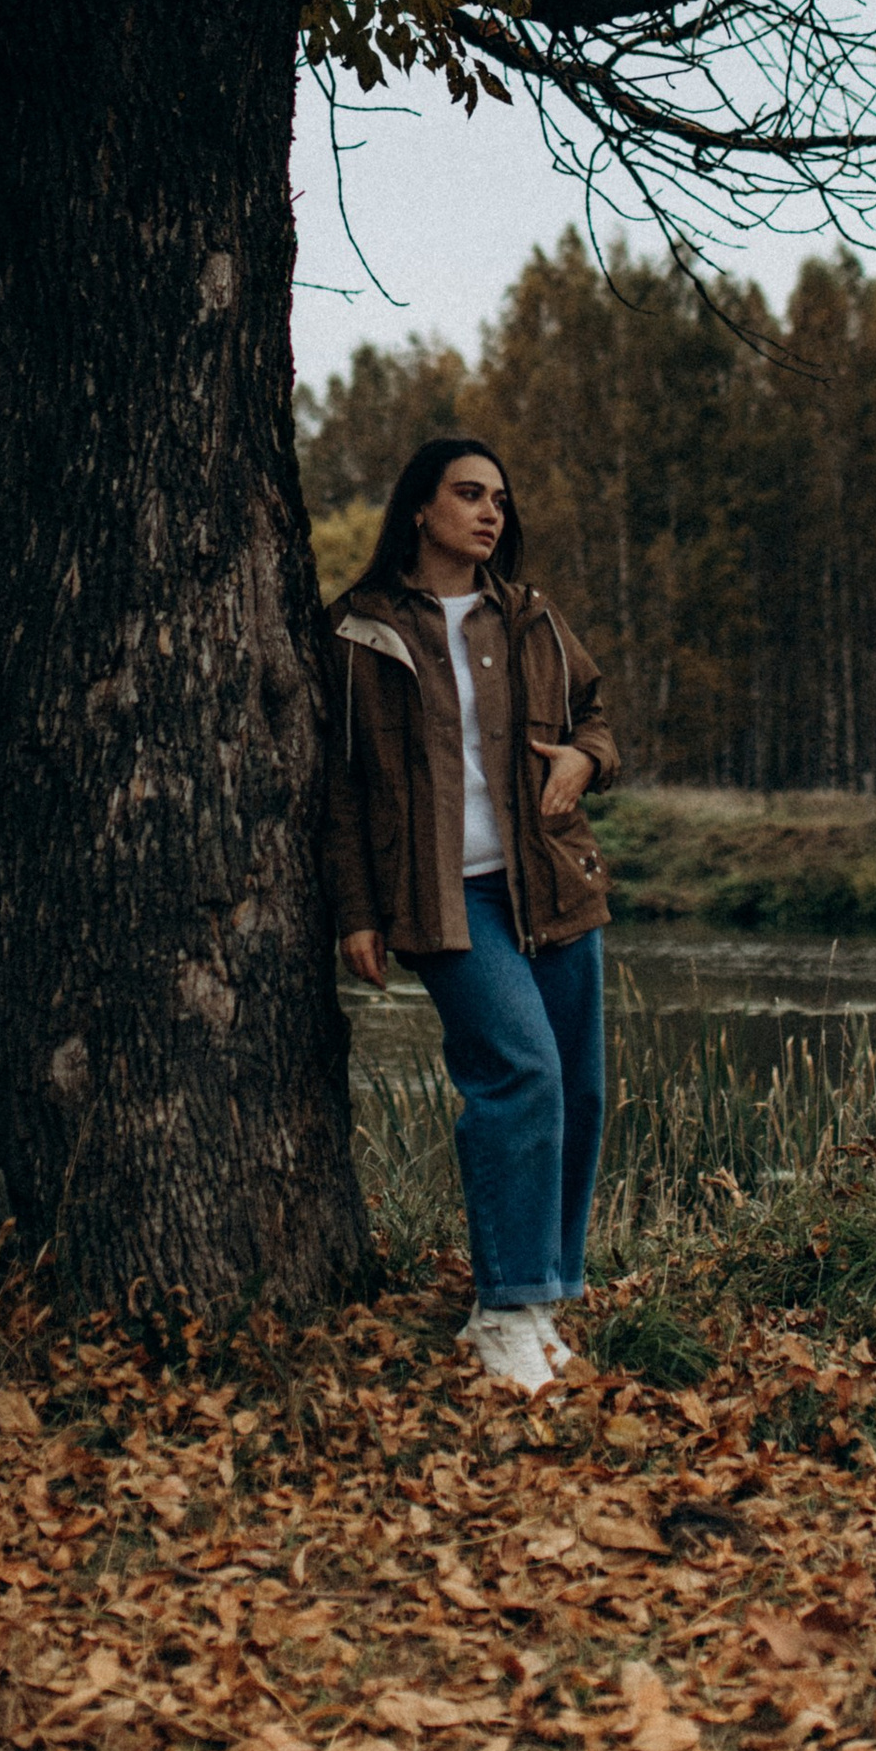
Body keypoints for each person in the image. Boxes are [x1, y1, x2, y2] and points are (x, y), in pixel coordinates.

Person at [322, 436, 622, 1392]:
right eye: (468, 494)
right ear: (421, 508)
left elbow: (595, 719)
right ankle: (501, 1310)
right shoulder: (359, 631)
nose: (490, 513)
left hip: (555, 889)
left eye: (499, 498)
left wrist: (585, 763)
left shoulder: (529, 616)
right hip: (446, 902)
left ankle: (538, 1302)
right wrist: (356, 913)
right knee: (519, 1074)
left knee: (576, 1092)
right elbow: (339, 791)